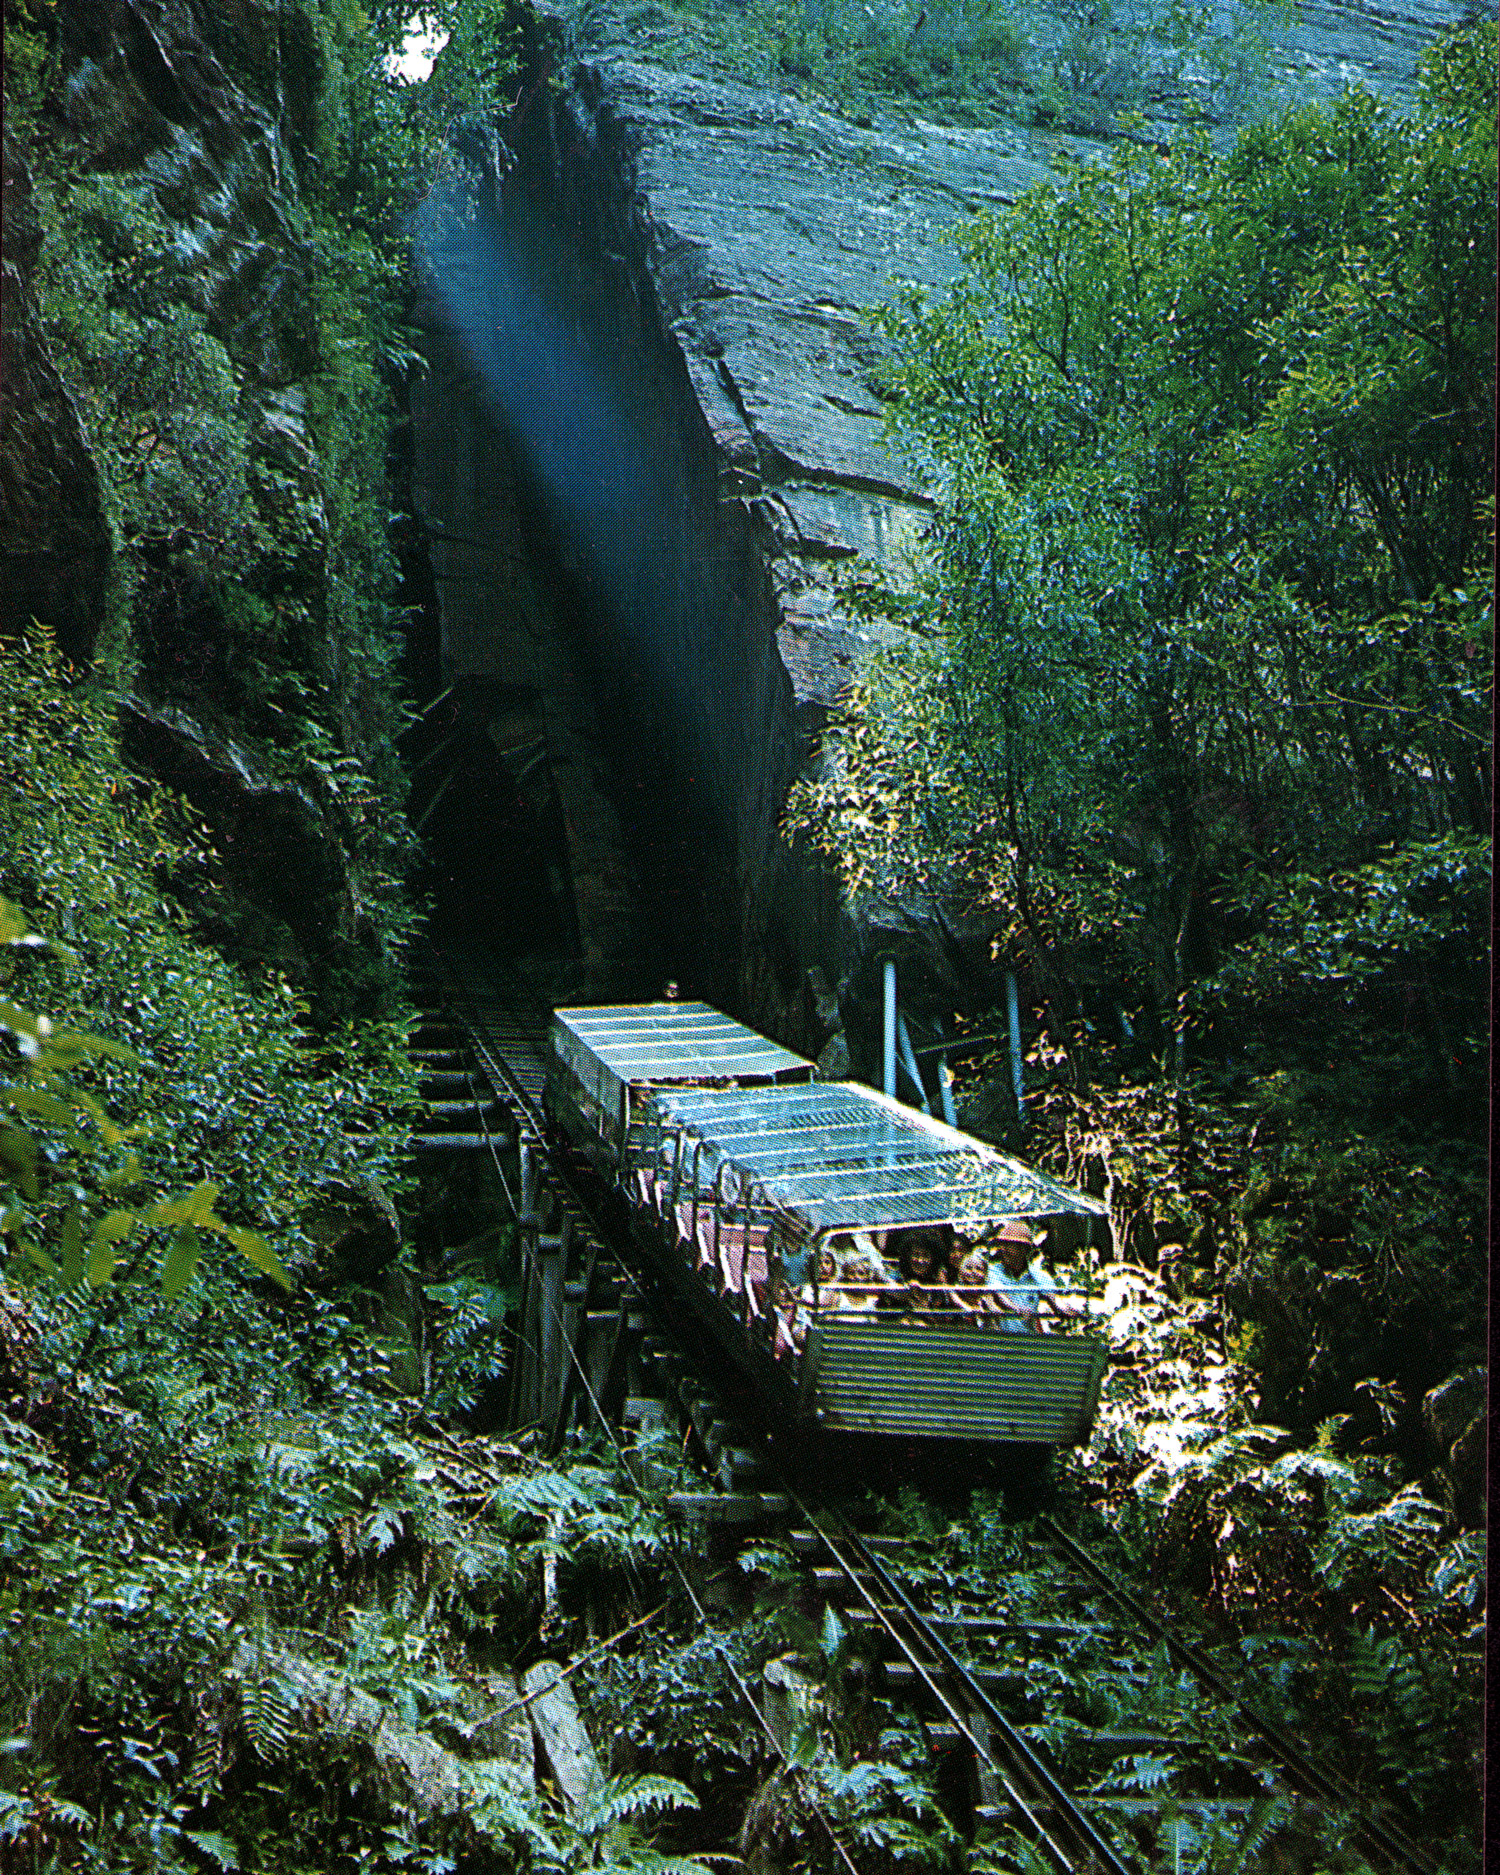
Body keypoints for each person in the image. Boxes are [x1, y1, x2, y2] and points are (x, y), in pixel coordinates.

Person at [985, 1219, 1059, 1332]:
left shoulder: (1037, 1274)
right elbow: (999, 1294)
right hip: (1003, 1340)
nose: (1003, 1250)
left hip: (1030, 1341)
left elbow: (1054, 1298)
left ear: (1023, 1249)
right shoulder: (995, 1270)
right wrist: (1017, 1310)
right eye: (1002, 1245)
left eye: (1008, 1245)